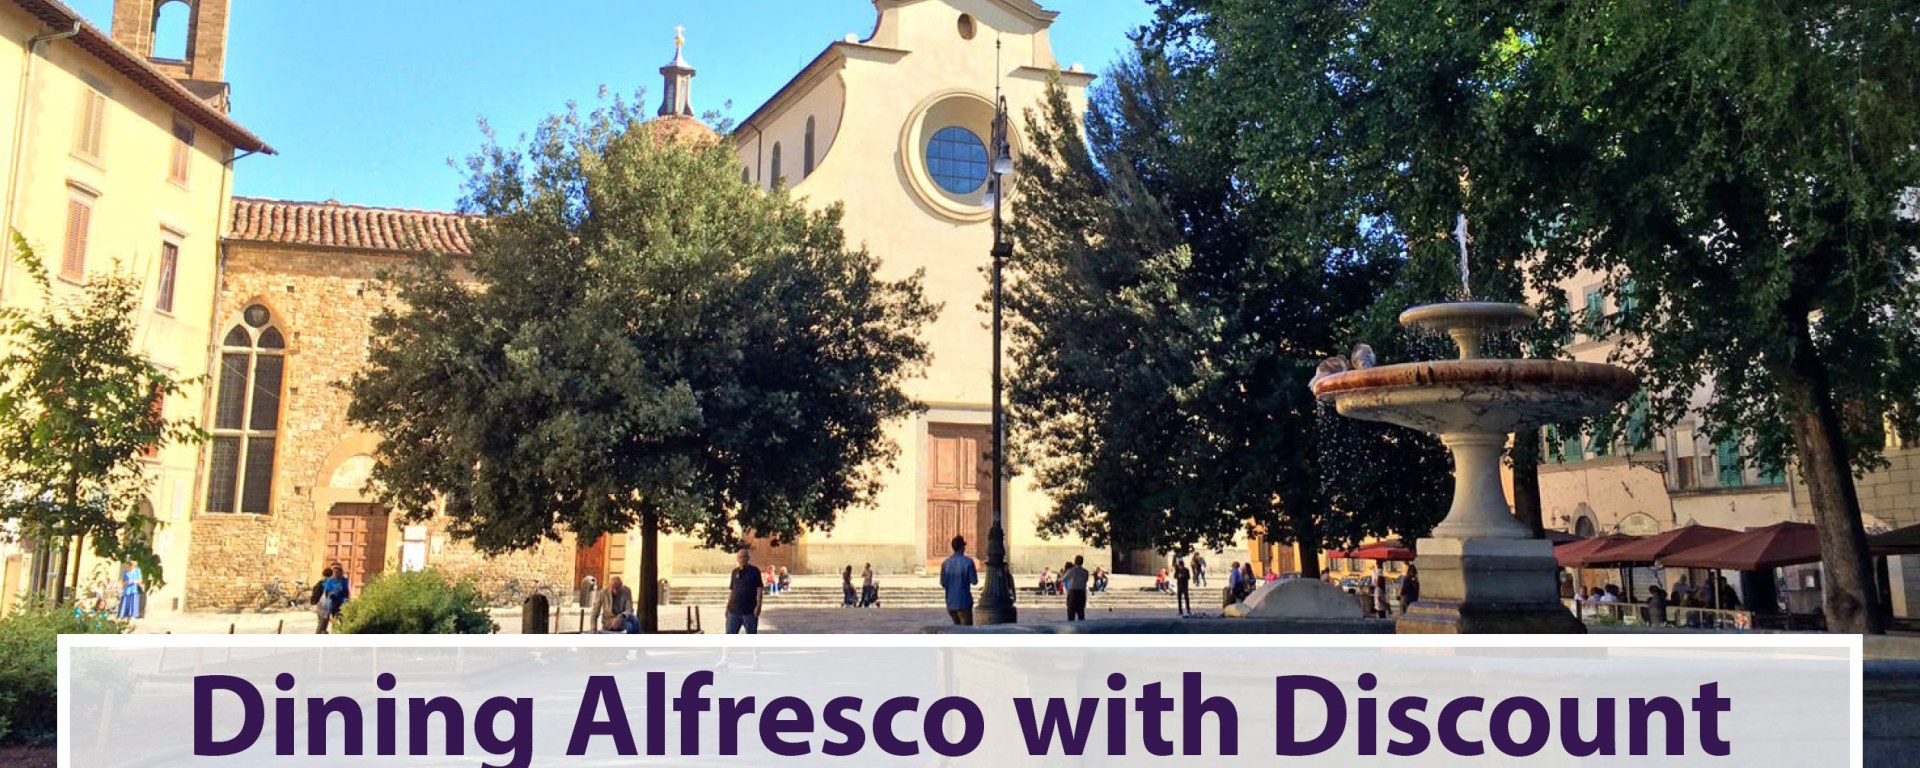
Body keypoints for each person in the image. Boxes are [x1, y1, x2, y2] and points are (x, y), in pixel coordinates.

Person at [939, 535, 978, 625]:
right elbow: (974, 581)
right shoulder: (968, 562)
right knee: (966, 631)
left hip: (951, 602)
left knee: (956, 628)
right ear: (962, 547)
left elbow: (943, 582)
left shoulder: (946, 563)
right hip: (964, 602)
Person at [726, 549, 764, 634]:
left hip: (749, 611)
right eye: (740, 557)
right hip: (733, 611)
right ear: (737, 559)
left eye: (744, 557)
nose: (742, 559)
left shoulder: (754, 571)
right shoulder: (734, 572)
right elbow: (732, 590)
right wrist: (727, 607)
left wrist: (758, 605)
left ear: (748, 558)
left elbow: (759, 589)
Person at [316, 567, 350, 633]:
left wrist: (345, 600)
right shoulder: (330, 581)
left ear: (341, 573)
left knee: (339, 619)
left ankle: (336, 631)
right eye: (335, 572)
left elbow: (346, 591)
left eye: (338, 572)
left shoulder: (344, 580)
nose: (336, 574)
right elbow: (326, 592)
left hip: (340, 602)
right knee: (324, 622)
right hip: (330, 603)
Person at [1062, 555, 1090, 621]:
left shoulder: (1071, 570)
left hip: (1073, 593)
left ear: (1075, 561)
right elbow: (1085, 580)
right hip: (1082, 593)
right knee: (1081, 612)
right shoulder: (1086, 572)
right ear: (1082, 562)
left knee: (1071, 612)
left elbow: (1063, 579)